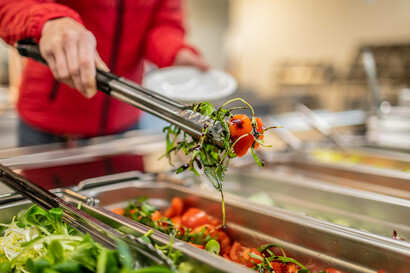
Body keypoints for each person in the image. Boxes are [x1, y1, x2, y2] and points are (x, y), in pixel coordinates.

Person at [0, 0, 209, 146]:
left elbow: (163, 24)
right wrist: (50, 20)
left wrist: (174, 52)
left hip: (125, 122)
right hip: (49, 127)